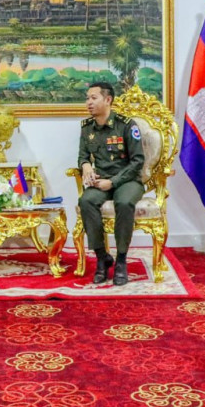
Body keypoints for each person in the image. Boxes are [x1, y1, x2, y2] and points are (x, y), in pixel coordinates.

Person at [77, 81, 145, 286]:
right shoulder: (87, 128)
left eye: (93, 98)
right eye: (87, 98)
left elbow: (137, 161)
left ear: (108, 100)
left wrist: (113, 182)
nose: (88, 102)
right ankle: (102, 258)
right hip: (100, 181)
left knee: (124, 203)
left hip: (127, 180)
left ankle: (121, 260)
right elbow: (82, 156)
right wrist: (86, 166)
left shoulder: (127, 125)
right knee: (86, 201)